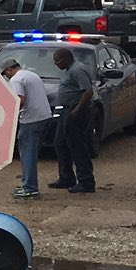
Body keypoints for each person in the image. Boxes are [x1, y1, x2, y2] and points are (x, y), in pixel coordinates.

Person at [0, 57, 54, 198]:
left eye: (6, 74)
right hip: (45, 116)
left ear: (9, 69)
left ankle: (30, 187)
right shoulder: (31, 75)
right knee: (32, 153)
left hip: (31, 120)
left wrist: (10, 116)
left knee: (27, 154)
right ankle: (28, 183)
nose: (6, 76)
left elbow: (20, 99)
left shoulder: (16, 80)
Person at [48, 46, 97, 194]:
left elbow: (88, 92)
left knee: (77, 146)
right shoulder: (69, 70)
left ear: (66, 58)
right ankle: (66, 177)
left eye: (57, 60)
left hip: (76, 111)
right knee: (60, 143)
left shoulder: (78, 70)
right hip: (66, 109)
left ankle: (86, 181)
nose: (56, 64)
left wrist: (76, 111)